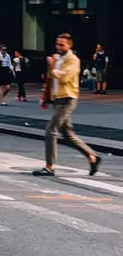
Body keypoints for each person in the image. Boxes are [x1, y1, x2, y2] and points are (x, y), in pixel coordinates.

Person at [33, 33, 101, 177]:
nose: (58, 47)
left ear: (70, 45)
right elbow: (50, 79)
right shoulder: (56, 58)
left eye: (62, 44)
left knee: (50, 130)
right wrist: (45, 97)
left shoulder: (73, 60)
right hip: (57, 99)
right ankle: (92, 156)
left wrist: (52, 66)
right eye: (57, 44)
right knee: (67, 134)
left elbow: (64, 78)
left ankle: (49, 166)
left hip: (68, 99)